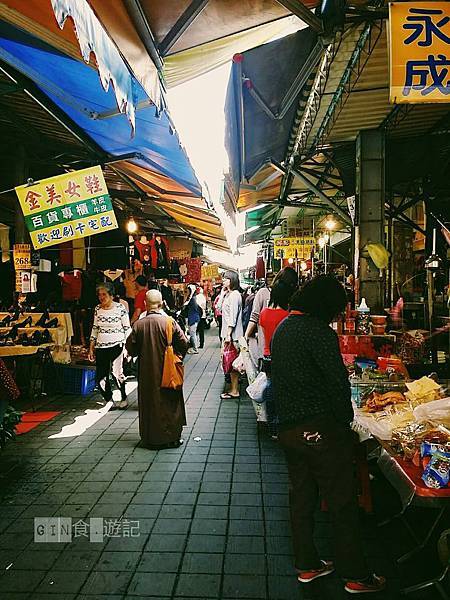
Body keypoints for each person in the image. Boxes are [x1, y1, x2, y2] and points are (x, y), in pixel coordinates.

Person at [271, 276, 385, 594]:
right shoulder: (318, 332)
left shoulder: (284, 328)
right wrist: (346, 421)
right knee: (341, 500)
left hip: (290, 429)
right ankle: (355, 574)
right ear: (325, 305)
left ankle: (307, 565)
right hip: (319, 428)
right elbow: (337, 382)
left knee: (302, 497)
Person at [126, 289, 188, 449]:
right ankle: (172, 438)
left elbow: (131, 348)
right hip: (168, 371)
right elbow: (184, 342)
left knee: (149, 404)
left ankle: (150, 438)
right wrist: (176, 357)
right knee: (170, 403)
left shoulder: (138, 325)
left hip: (147, 372)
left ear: (146, 304)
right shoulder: (169, 322)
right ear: (161, 304)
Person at [259, 277, 298, 438]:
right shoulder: (285, 315)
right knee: (282, 390)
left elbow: (263, 335)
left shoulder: (264, 313)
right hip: (282, 356)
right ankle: (280, 424)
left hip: (267, 355)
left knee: (270, 386)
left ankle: (271, 424)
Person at [245, 268, 297, 370]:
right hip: (273, 349)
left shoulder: (265, 313)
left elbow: (257, 317)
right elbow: (254, 316)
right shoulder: (263, 293)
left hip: (268, 350)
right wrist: (246, 335)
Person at [89, 283, 130, 409]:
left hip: (117, 345)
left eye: (104, 294)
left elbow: (127, 328)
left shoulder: (120, 308)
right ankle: (108, 399)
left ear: (111, 295)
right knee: (101, 375)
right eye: (99, 295)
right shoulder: (97, 309)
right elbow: (95, 329)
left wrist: (127, 347)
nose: (101, 297)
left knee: (117, 373)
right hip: (101, 347)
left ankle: (123, 397)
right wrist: (91, 347)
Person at [219, 271, 243, 399]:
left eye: (226, 279)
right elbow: (218, 307)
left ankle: (235, 390)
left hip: (233, 335)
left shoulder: (234, 295)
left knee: (233, 363)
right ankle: (233, 389)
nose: (223, 281)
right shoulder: (229, 295)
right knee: (231, 362)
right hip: (229, 334)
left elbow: (232, 317)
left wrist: (228, 335)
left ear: (232, 280)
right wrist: (222, 293)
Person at [184, 284, 202, 354]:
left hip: (193, 318)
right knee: (193, 334)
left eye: (188, 291)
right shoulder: (193, 298)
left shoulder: (192, 299)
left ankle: (195, 349)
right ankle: (195, 348)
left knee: (192, 334)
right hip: (194, 318)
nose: (187, 292)